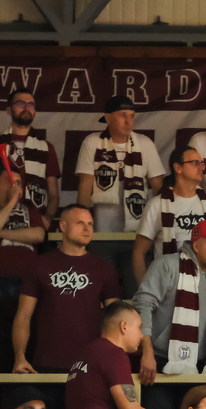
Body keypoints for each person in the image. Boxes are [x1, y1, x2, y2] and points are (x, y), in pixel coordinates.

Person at [11, 203, 123, 409]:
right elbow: (23, 316)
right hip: (46, 365)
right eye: (80, 223)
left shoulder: (104, 268)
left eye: (90, 224)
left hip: (89, 366)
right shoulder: (41, 264)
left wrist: (114, 362)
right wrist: (20, 356)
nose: (87, 228)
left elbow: (117, 319)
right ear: (62, 226)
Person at [65, 301, 178, 409]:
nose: (142, 335)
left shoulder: (86, 354)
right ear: (124, 326)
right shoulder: (114, 353)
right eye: (139, 327)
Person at [134, 218, 206, 409]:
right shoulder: (167, 265)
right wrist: (147, 352)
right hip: (159, 362)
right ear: (196, 246)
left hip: (202, 367)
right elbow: (143, 306)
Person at [76, 94, 166, 286]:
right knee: (101, 289)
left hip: (138, 234)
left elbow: (158, 187)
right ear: (108, 117)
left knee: (136, 289)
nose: (129, 121)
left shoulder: (144, 143)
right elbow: (85, 186)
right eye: (122, 115)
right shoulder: (92, 142)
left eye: (132, 116)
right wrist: (80, 225)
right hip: (101, 234)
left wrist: (163, 224)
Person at [0, 159, 48, 360]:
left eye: (19, 183)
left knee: (30, 335)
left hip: (28, 282)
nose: (15, 185)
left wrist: (0, 234)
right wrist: (12, 202)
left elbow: (38, 235)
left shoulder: (30, 211)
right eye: (9, 180)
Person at [133, 146, 206, 282]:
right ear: (178, 168)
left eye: (202, 163)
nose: (202, 167)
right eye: (195, 163)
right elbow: (138, 252)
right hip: (169, 282)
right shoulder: (157, 205)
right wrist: (147, 289)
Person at [0, 87, 58, 221]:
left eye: (31, 105)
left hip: (33, 219)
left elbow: (53, 194)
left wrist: (47, 218)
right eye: (21, 104)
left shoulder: (46, 147)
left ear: (35, 112)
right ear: (9, 110)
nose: (26, 108)